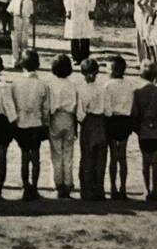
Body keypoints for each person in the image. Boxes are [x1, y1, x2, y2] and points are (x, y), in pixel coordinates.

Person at [11, 50, 48, 201]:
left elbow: (12, 104)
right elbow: (46, 107)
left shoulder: (15, 84)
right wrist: (45, 123)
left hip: (21, 122)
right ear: (38, 65)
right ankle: (35, 187)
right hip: (37, 122)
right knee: (36, 155)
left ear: (21, 65)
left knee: (24, 156)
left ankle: (26, 186)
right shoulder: (42, 84)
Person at [131, 61, 157, 201]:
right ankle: (155, 190)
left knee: (145, 162)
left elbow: (135, 113)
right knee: (156, 161)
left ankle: (147, 190)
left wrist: (137, 129)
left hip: (144, 130)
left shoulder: (138, 92)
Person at [47, 54, 80, 199]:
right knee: (68, 153)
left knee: (56, 153)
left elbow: (50, 106)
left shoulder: (51, 85)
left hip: (56, 117)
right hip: (69, 118)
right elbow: (75, 105)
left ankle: (57, 182)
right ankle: (68, 182)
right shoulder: (72, 85)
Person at [77, 58, 107, 201]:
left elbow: (80, 112)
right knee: (99, 158)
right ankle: (98, 190)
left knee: (88, 157)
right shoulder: (102, 88)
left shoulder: (81, 89)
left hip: (89, 122)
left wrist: (82, 121)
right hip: (100, 121)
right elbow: (107, 109)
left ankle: (87, 191)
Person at [104, 55, 134, 199]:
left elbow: (107, 107)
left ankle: (113, 187)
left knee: (113, 156)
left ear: (113, 70)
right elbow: (130, 104)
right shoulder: (129, 85)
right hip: (125, 121)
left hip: (112, 120)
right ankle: (123, 188)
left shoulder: (108, 86)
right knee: (122, 156)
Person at [7, 0, 35, 68]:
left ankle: (23, 60)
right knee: (15, 40)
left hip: (25, 20)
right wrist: (10, 24)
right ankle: (15, 60)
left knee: (24, 41)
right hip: (16, 19)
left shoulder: (29, 0)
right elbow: (10, 12)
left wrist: (31, 19)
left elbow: (31, 13)